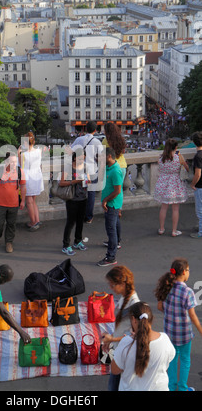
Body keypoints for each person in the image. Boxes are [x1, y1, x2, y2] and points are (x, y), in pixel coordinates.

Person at [155, 258, 202, 391]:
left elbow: (159, 306)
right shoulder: (187, 292)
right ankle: (182, 387)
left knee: (172, 360)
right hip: (184, 334)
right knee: (185, 360)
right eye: (188, 270)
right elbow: (192, 315)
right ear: (184, 272)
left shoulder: (166, 287)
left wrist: (170, 312)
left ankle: (171, 386)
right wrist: (200, 329)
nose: (189, 273)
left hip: (170, 333)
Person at [111, 302, 175, 391]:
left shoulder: (126, 343)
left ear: (134, 319)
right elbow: (169, 358)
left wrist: (122, 345)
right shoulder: (165, 339)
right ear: (152, 318)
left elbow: (114, 370)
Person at [101, 265, 140, 391]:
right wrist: (111, 340)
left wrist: (112, 339)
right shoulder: (125, 297)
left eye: (112, 285)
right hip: (120, 350)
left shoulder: (134, 303)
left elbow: (135, 335)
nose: (110, 288)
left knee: (115, 386)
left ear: (122, 284)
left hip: (126, 353)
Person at [0, 152, 26, 253]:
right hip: (0, 203)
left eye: (16, 162)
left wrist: (23, 200)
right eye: (12, 162)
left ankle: (9, 242)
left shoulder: (20, 172)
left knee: (11, 224)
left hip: (14, 204)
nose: (14, 164)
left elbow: (23, 186)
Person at [154, 138, 189, 237]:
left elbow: (160, 168)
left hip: (163, 183)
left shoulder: (161, 158)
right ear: (176, 147)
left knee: (163, 208)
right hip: (175, 184)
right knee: (175, 209)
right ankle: (174, 230)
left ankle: (161, 229)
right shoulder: (179, 157)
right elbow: (187, 168)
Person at [71, 121, 103, 224]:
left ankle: (78, 215)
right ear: (95, 130)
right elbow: (101, 157)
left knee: (79, 193)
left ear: (85, 129)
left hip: (80, 170)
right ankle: (88, 217)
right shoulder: (97, 142)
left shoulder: (78, 139)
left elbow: (71, 152)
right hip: (92, 170)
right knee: (91, 193)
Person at [97, 147, 123, 267]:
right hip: (113, 203)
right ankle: (117, 242)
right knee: (115, 224)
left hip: (112, 203)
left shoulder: (115, 171)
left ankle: (111, 257)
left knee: (110, 229)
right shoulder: (109, 168)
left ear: (109, 157)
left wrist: (105, 200)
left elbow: (117, 190)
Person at [60, 148, 88, 256]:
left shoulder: (84, 167)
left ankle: (78, 241)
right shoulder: (68, 168)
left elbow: (87, 178)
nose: (82, 161)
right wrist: (74, 181)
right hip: (72, 198)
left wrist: (88, 181)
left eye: (84, 159)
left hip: (83, 197)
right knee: (70, 222)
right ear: (75, 158)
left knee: (80, 221)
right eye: (81, 159)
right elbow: (61, 183)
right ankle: (66, 245)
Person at [18, 131, 44, 231]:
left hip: (28, 177)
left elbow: (20, 166)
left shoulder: (23, 154)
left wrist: (18, 153)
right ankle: (36, 220)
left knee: (29, 201)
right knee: (33, 200)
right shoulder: (39, 151)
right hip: (37, 175)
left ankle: (33, 222)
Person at [190, 131, 202, 239]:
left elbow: (198, 174)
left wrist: (192, 184)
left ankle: (200, 232)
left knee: (200, 210)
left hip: (200, 186)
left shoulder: (198, 156)